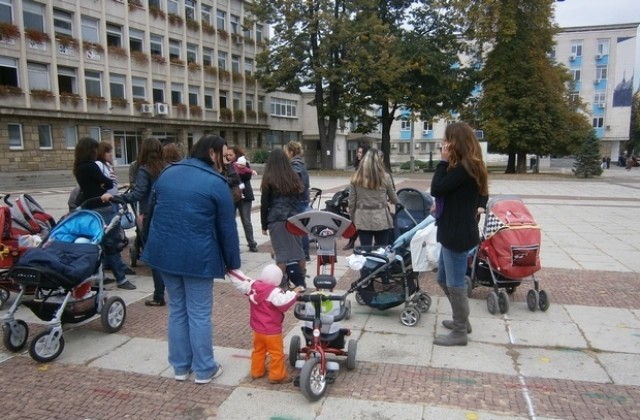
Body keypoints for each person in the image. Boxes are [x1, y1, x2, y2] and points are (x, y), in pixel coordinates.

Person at [141, 134, 241, 384]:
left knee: (177, 310)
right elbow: (227, 228)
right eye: (223, 154)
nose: (225, 161)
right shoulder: (216, 182)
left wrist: (148, 245)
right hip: (198, 257)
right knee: (198, 314)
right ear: (212, 153)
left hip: (165, 253)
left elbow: (150, 213)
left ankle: (180, 366)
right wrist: (233, 262)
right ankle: (204, 368)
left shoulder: (167, 173)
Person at [430, 121, 489, 347]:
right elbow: (450, 192)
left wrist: (442, 162)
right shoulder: (466, 165)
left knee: (455, 284)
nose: (444, 144)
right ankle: (461, 319)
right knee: (443, 279)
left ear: (457, 141)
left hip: (457, 234)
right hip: (452, 230)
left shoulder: (465, 167)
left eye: (447, 140)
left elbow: (437, 187)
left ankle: (460, 330)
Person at [103, 137, 165, 305]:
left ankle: (159, 296)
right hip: (166, 214)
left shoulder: (145, 170)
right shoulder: (166, 168)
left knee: (154, 257)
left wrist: (114, 198)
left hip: (149, 216)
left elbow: (137, 195)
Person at [73, 137, 136, 290]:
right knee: (112, 243)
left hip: (89, 206)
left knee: (97, 242)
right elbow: (107, 183)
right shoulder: (91, 166)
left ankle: (98, 277)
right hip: (103, 206)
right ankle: (121, 278)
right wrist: (103, 183)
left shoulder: (78, 167)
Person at [229, 264, 302, 383]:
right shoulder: (274, 292)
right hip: (272, 332)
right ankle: (277, 376)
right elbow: (283, 302)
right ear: (278, 280)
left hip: (257, 330)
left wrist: (230, 269)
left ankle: (257, 371)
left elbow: (241, 280)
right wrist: (293, 293)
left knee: (258, 350)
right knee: (276, 353)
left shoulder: (253, 286)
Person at [260, 148, 306, 289]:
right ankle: (301, 281)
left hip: (276, 218)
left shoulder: (269, 178)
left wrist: (264, 224)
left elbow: (265, 204)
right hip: (294, 218)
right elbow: (300, 199)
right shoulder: (293, 176)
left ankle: (281, 284)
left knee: (281, 254)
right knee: (298, 251)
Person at [95, 141, 136, 278]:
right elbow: (102, 184)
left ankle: (115, 264)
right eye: (108, 152)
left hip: (113, 201)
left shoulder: (107, 165)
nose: (111, 155)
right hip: (108, 203)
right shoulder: (100, 165)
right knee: (112, 236)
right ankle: (117, 267)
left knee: (115, 235)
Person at [347, 149, 398, 248]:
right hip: (381, 217)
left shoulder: (356, 177)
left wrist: (353, 217)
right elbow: (394, 198)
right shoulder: (385, 177)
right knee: (381, 249)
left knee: (365, 248)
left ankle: (366, 262)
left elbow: (351, 201)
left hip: (362, 216)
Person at [227, 145, 259, 252]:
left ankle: (251, 243)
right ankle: (232, 243)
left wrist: (236, 174)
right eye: (227, 155)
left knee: (246, 220)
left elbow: (247, 176)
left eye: (231, 155)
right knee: (231, 220)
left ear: (237, 154)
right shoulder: (227, 165)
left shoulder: (244, 163)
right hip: (233, 195)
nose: (228, 157)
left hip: (245, 195)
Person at [283, 141, 311, 261]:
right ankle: (304, 253)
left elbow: (297, 185)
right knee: (302, 227)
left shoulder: (295, 165)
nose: (285, 154)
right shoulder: (300, 163)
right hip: (302, 200)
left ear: (291, 152)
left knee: (300, 228)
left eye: (286, 151)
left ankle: (304, 253)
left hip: (298, 201)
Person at [343, 144, 371, 250]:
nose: (358, 154)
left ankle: (355, 242)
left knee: (358, 222)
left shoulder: (366, 167)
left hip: (363, 199)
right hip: (357, 196)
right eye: (358, 152)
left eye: (360, 152)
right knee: (356, 222)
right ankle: (352, 241)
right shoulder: (358, 165)